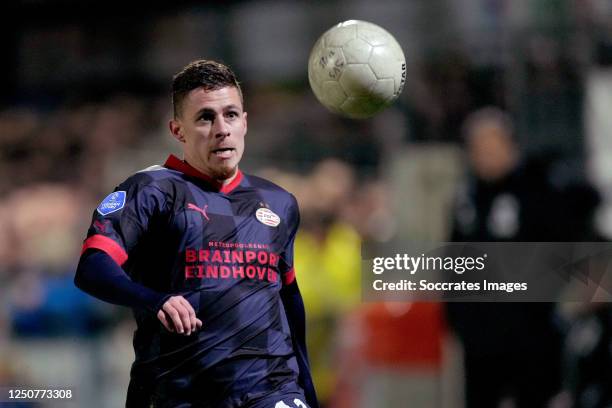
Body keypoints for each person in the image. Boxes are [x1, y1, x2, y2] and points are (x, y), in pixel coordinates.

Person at [74, 60, 318, 408]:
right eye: (205, 118)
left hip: (271, 389)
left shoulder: (279, 203)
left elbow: (290, 301)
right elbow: (92, 267)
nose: (222, 129)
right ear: (178, 131)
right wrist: (153, 299)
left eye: (231, 115)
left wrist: (308, 391)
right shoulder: (151, 190)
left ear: (244, 123)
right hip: (180, 391)